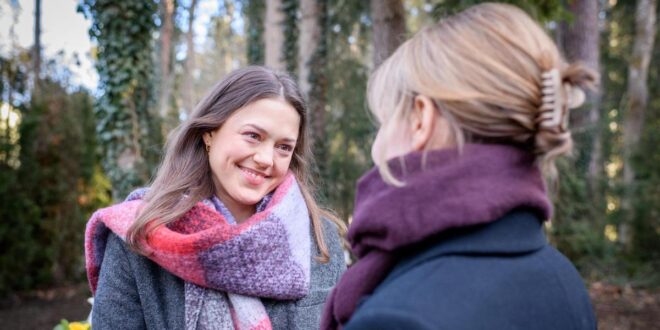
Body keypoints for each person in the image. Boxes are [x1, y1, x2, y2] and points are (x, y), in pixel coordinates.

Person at [322, 3, 597, 329]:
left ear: (421, 119)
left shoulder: (399, 316)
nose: (377, 143)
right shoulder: (562, 277)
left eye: (384, 121)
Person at [85, 66, 346, 330]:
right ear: (210, 132)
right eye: (253, 136)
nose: (266, 159)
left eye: (283, 147)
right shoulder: (141, 234)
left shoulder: (319, 238)